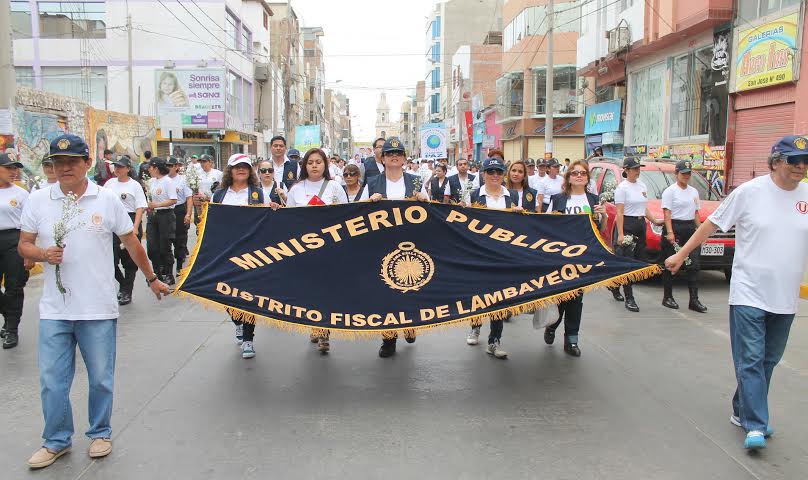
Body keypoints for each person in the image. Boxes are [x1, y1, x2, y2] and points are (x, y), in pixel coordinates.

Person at [19, 134, 168, 469]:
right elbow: (24, 244)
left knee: (100, 377)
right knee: (52, 380)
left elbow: (131, 242)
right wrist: (42, 253)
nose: (65, 168)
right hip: (55, 310)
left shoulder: (107, 199)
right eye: (58, 163)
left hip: (98, 307)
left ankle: (100, 432)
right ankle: (56, 441)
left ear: (87, 163)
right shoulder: (39, 200)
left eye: (72, 162)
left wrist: (152, 278)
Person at [665, 135, 808, 451]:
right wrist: (682, 253)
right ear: (776, 161)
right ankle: (755, 424)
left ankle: (741, 408)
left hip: (784, 296)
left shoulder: (807, 195)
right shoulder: (749, 193)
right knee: (751, 359)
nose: (800, 166)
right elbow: (711, 225)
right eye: (793, 160)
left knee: (767, 360)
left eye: (805, 161)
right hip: (748, 291)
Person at [362, 138, 428, 357]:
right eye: (389, 153)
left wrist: (423, 199)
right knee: (386, 291)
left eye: (398, 153)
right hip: (382, 243)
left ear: (404, 158)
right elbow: (358, 214)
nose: (394, 156)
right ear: (382, 159)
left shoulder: (417, 181)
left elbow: (431, 210)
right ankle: (388, 339)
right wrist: (370, 202)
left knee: (410, 288)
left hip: (412, 243)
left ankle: (410, 324)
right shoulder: (372, 183)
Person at [287, 148, 347, 353]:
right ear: (304, 165)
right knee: (309, 289)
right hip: (304, 249)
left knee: (326, 289)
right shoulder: (296, 189)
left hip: (330, 248)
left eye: (318, 162)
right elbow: (288, 219)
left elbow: (345, 216)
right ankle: (314, 325)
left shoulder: (335, 187)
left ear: (325, 164)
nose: (314, 165)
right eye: (310, 162)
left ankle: (324, 331)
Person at [464, 157, 523, 358]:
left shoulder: (512, 195)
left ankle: (494, 340)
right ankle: (475, 326)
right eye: (491, 172)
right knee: (478, 294)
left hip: (503, 256)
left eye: (499, 172)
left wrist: (519, 214)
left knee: (499, 297)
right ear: (484, 175)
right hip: (479, 255)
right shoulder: (473, 196)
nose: (495, 176)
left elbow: (520, 229)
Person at [545, 160, 604, 357]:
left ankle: (571, 339)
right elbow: (546, 227)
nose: (579, 176)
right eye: (575, 173)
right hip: (560, 255)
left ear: (587, 178)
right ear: (568, 177)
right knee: (561, 297)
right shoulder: (558, 199)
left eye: (583, 173)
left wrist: (601, 218)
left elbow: (600, 231)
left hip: (583, 257)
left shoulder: (594, 200)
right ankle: (552, 325)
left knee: (576, 299)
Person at [209, 154, 265, 359]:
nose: (241, 170)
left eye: (245, 167)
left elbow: (266, 220)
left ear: (250, 171)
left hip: (251, 252)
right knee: (226, 293)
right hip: (225, 251)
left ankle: (249, 339)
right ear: (230, 170)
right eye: (236, 167)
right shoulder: (219, 195)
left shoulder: (258, 194)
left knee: (248, 296)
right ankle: (237, 322)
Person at [612, 157, 662, 312]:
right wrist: (620, 234)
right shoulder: (622, 188)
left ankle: (614, 284)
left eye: (638, 168)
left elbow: (643, 207)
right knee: (628, 263)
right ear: (626, 170)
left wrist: (654, 220)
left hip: (640, 225)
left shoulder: (642, 185)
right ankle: (630, 298)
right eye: (634, 169)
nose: (637, 171)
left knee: (639, 260)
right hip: (627, 225)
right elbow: (619, 212)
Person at [660, 160, 707, 313]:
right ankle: (668, 297)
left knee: (694, 265)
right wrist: (670, 232)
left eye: (688, 173)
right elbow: (667, 213)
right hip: (675, 227)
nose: (686, 176)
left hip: (689, 229)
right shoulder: (670, 191)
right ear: (676, 173)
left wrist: (701, 231)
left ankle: (694, 300)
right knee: (671, 265)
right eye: (683, 173)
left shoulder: (693, 191)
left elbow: (695, 213)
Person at [103, 155, 147, 306]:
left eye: (121, 167)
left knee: (129, 261)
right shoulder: (109, 184)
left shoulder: (135, 185)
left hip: (130, 220)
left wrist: (135, 227)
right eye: (116, 166)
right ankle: (122, 284)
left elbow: (140, 207)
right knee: (111, 260)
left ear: (128, 169)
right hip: (112, 224)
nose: (117, 169)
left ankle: (127, 290)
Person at [0, 153, 32, 349]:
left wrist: (29, 253)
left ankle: (11, 329)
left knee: (14, 286)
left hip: (14, 240)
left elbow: (30, 225)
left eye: (15, 168)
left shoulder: (21, 194)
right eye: (9, 168)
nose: (14, 172)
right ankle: (7, 313)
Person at [145, 157, 177, 285]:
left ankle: (169, 274)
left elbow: (173, 200)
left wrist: (157, 205)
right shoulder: (152, 181)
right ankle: (156, 274)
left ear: (156, 168)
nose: (148, 170)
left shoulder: (168, 182)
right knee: (152, 247)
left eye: (150, 167)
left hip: (166, 215)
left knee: (165, 246)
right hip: (153, 216)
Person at [167, 157, 193, 274]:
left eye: (171, 165)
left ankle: (179, 265)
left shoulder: (182, 180)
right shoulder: (162, 180)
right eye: (166, 165)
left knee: (180, 238)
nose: (168, 168)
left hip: (179, 209)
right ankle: (166, 267)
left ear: (176, 167)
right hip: (167, 211)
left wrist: (188, 214)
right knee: (166, 239)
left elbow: (188, 198)